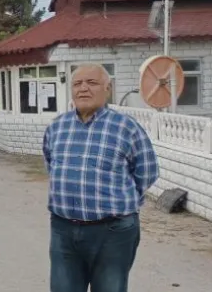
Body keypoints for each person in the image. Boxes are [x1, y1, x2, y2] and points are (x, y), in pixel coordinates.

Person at [42, 63, 159, 292]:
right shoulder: (57, 127)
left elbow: (147, 172)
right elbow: (51, 166)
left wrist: (120, 199)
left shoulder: (126, 127)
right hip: (63, 230)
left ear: (108, 88)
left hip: (113, 232)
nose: (83, 88)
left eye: (92, 82)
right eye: (77, 83)